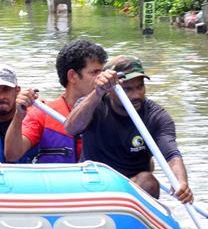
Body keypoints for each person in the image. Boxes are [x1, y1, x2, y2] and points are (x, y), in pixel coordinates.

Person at [64, 55, 193, 203]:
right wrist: (98, 92)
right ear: (110, 90)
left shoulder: (156, 116)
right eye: (128, 89)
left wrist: (181, 183)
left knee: (148, 181)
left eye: (140, 87)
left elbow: (171, 155)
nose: (136, 95)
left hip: (131, 188)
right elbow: (71, 129)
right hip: (93, 182)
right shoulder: (93, 104)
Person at [4, 38, 107, 164]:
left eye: (103, 71)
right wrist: (18, 115)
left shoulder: (110, 110)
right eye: (95, 72)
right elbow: (12, 155)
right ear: (72, 76)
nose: (102, 78)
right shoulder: (42, 114)